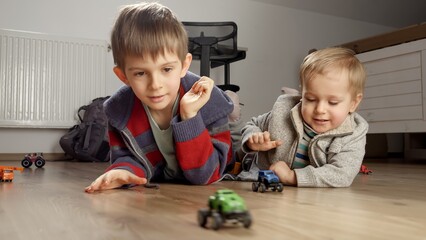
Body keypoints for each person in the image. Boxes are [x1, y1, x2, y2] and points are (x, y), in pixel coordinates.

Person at [85, 2, 237, 193]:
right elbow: (129, 157)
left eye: (166, 69)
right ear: (123, 76)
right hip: (166, 179)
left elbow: (205, 175)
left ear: (184, 65)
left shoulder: (210, 101)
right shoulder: (119, 110)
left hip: (211, 169)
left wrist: (189, 116)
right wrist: (122, 171)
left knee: (239, 147)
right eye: (140, 73)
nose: (155, 84)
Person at [241, 47, 368, 187]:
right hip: (258, 174)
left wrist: (292, 177)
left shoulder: (354, 133)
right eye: (311, 99)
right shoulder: (283, 110)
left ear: (353, 103)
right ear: (302, 94)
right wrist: (252, 139)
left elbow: (342, 174)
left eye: (333, 102)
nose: (320, 110)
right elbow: (252, 124)